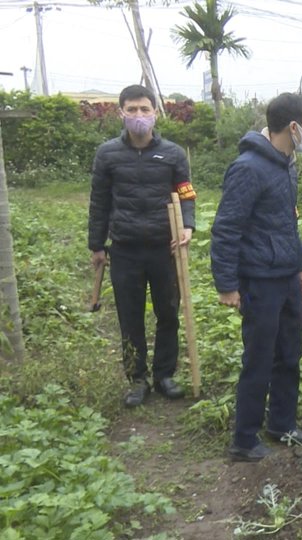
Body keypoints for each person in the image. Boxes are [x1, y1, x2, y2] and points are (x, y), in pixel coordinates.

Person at [211, 92, 302, 462]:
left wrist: (298, 263)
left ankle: (282, 424)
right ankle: (244, 438)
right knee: (259, 357)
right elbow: (226, 229)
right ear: (293, 127)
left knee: (289, 354)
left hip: (286, 277)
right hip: (259, 280)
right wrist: (227, 284)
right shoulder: (248, 168)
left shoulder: (286, 163)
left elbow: (286, 221)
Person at [88, 84, 195, 408]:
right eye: (132, 110)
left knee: (168, 312)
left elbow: (186, 194)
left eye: (144, 109)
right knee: (130, 316)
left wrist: (187, 225)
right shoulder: (107, 154)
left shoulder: (173, 154)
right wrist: (97, 245)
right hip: (125, 248)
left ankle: (164, 375)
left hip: (165, 247)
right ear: (121, 113)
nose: (138, 116)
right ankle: (137, 379)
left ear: (155, 113)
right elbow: (99, 201)